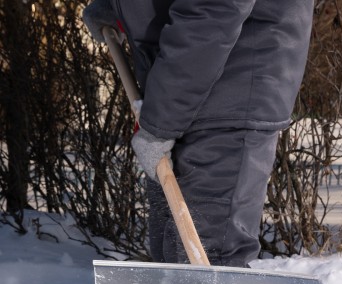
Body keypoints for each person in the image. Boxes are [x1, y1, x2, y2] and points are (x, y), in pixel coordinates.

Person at [83, 0, 314, 267]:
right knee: (172, 261)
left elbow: (214, 8)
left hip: (227, 92)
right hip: (181, 91)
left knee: (211, 259)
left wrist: (160, 122)